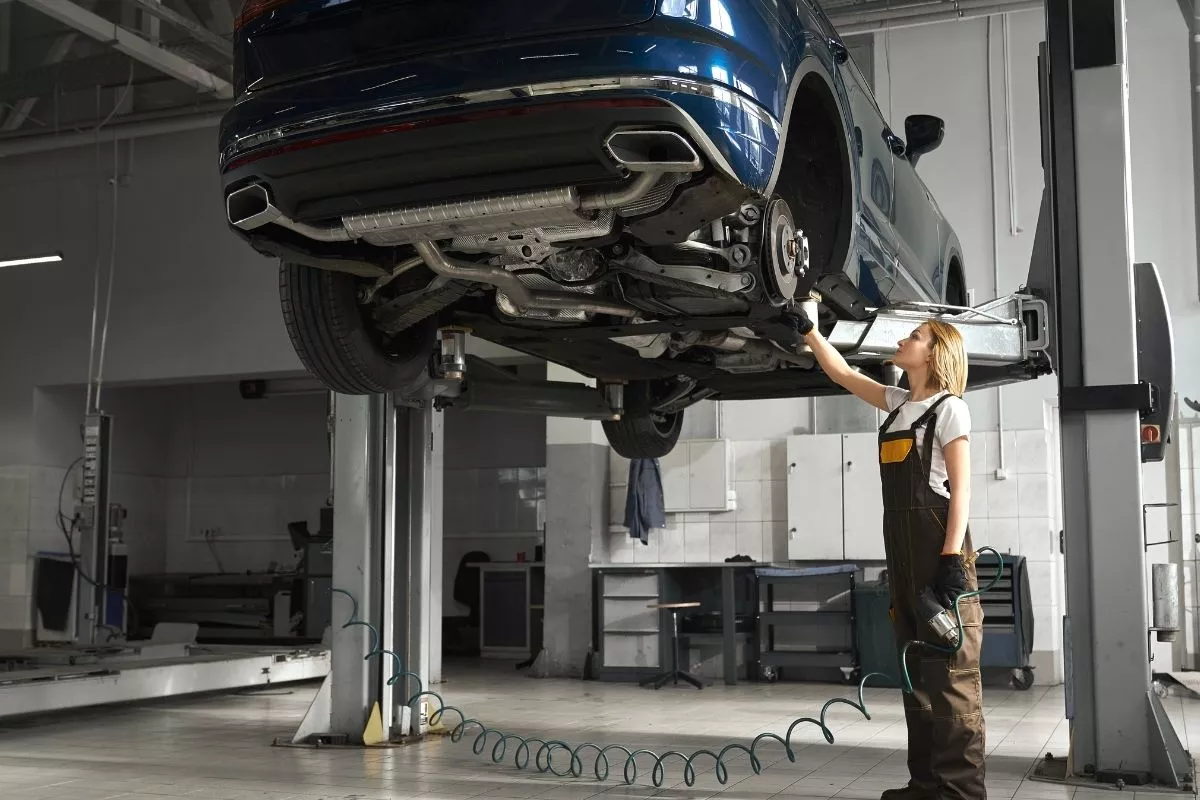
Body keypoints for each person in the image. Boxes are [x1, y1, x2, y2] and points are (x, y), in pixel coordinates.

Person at [788, 309, 985, 800]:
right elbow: (842, 373)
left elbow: (961, 491)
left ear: (934, 353)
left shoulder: (950, 410)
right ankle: (925, 784)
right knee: (914, 669)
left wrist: (950, 561)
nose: (902, 341)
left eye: (913, 336)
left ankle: (960, 791)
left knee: (951, 675)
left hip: (940, 555)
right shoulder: (898, 406)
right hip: (902, 555)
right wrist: (809, 331)